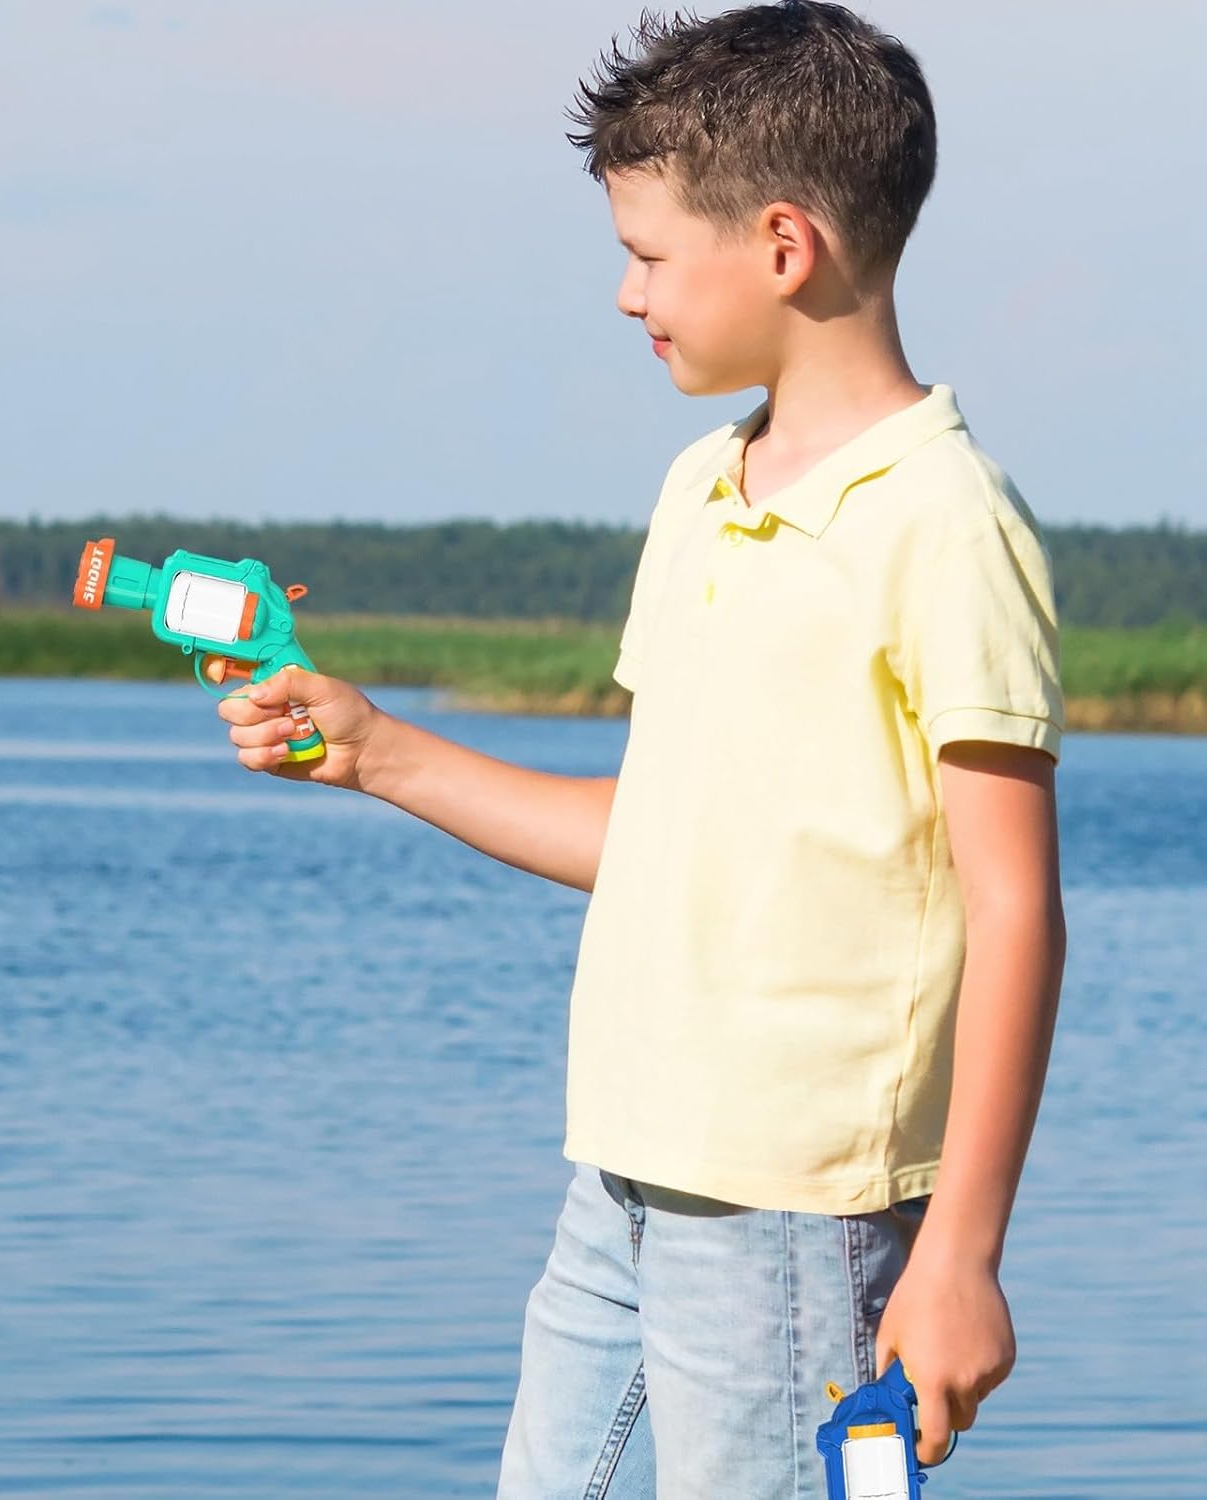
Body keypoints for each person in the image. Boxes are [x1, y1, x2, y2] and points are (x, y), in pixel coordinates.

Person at [212, 3, 1067, 1494]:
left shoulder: (943, 526)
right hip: (621, 1176)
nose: (625, 295)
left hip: (794, 1219)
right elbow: (655, 836)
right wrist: (379, 750)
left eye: (651, 255)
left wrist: (962, 1256)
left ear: (785, 246)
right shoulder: (699, 489)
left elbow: (1015, 909)